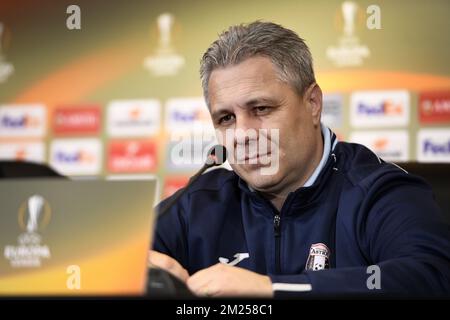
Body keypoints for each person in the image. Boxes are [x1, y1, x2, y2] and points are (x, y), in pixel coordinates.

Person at [149, 21, 450, 298]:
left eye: (261, 109)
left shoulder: (378, 191)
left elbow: (431, 276)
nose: (242, 134)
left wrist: (271, 290)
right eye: (226, 118)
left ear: (313, 104)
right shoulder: (196, 204)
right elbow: (111, 260)